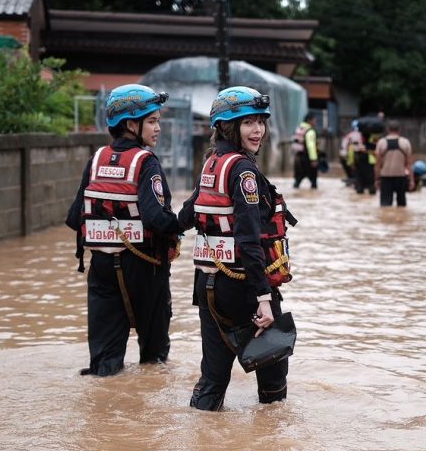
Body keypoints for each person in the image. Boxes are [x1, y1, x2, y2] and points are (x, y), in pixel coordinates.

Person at [178, 86, 297, 411]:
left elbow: (188, 215)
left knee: (213, 377)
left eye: (260, 121)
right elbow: (249, 239)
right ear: (229, 127)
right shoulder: (243, 171)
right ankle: (270, 448)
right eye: (248, 123)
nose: (258, 130)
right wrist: (263, 298)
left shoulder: (212, 164)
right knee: (273, 375)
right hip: (242, 286)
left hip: (208, 286)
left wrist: (167, 234)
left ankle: (201, 441)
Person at [65, 84, 183, 376]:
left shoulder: (96, 160)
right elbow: (157, 218)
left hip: (102, 270)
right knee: (153, 361)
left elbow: (73, 217)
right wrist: (183, 223)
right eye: (152, 121)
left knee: (104, 366)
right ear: (131, 124)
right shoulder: (146, 162)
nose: (158, 128)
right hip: (146, 269)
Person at [374, 120, 413, 207]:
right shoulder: (405, 142)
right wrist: (411, 180)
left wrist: (377, 179)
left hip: (385, 177)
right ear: (399, 130)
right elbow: (409, 164)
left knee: (385, 206)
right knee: (401, 205)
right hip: (401, 177)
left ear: (388, 129)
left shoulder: (381, 142)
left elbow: (377, 164)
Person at [292, 113, 319, 189]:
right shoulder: (310, 131)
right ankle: (314, 197)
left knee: (298, 179)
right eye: (314, 120)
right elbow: (311, 146)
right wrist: (314, 159)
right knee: (313, 180)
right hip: (307, 158)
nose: (315, 122)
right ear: (309, 121)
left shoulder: (298, 129)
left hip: (298, 158)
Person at [339, 119, 360, 187]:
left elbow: (343, 148)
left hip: (348, 158)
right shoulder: (362, 135)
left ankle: (352, 178)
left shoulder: (348, 135)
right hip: (357, 158)